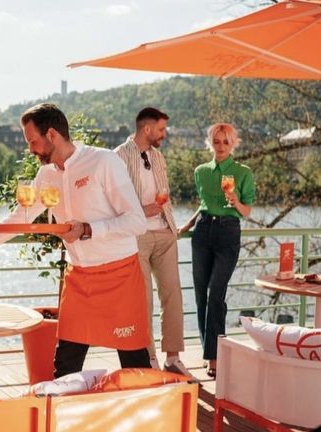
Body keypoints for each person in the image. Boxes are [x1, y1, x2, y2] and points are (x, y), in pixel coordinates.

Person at [0, 103, 151, 377]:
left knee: (135, 363)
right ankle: (60, 406)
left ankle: (155, 404)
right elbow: (14, 222)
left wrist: (87, 229)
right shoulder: (46, 175)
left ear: (51, 134)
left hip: (120, 276)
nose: (30, 149)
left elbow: (137, 221)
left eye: (32, 141)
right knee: (65, 366)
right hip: (79, 279)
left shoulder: (104, 162)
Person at [114, 107, 192, 377]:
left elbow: (163, 194)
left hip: (165, 233)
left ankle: (173, 358)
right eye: (161, 129)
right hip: (137, 236)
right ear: (146, 129)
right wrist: (141, 210)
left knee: (173, 295)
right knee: (143, 300)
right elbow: (113, 201)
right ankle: (149, 358)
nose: (164, 134)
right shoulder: (118, 157)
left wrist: (170, 223)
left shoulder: (158, 156)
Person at [179, 123, 255, 378]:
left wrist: (236, 201)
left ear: (233, 144)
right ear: (210, 143)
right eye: (216, 141)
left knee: (215, 294)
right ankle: (208, 351)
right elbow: (204, 205)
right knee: (201, 295)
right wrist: (187, 225)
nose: (221, 146)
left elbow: (247, 211)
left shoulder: (242, 172)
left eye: (226, 141)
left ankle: (215, 356)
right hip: (202, 232)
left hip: (228, 232)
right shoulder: (201, 172)